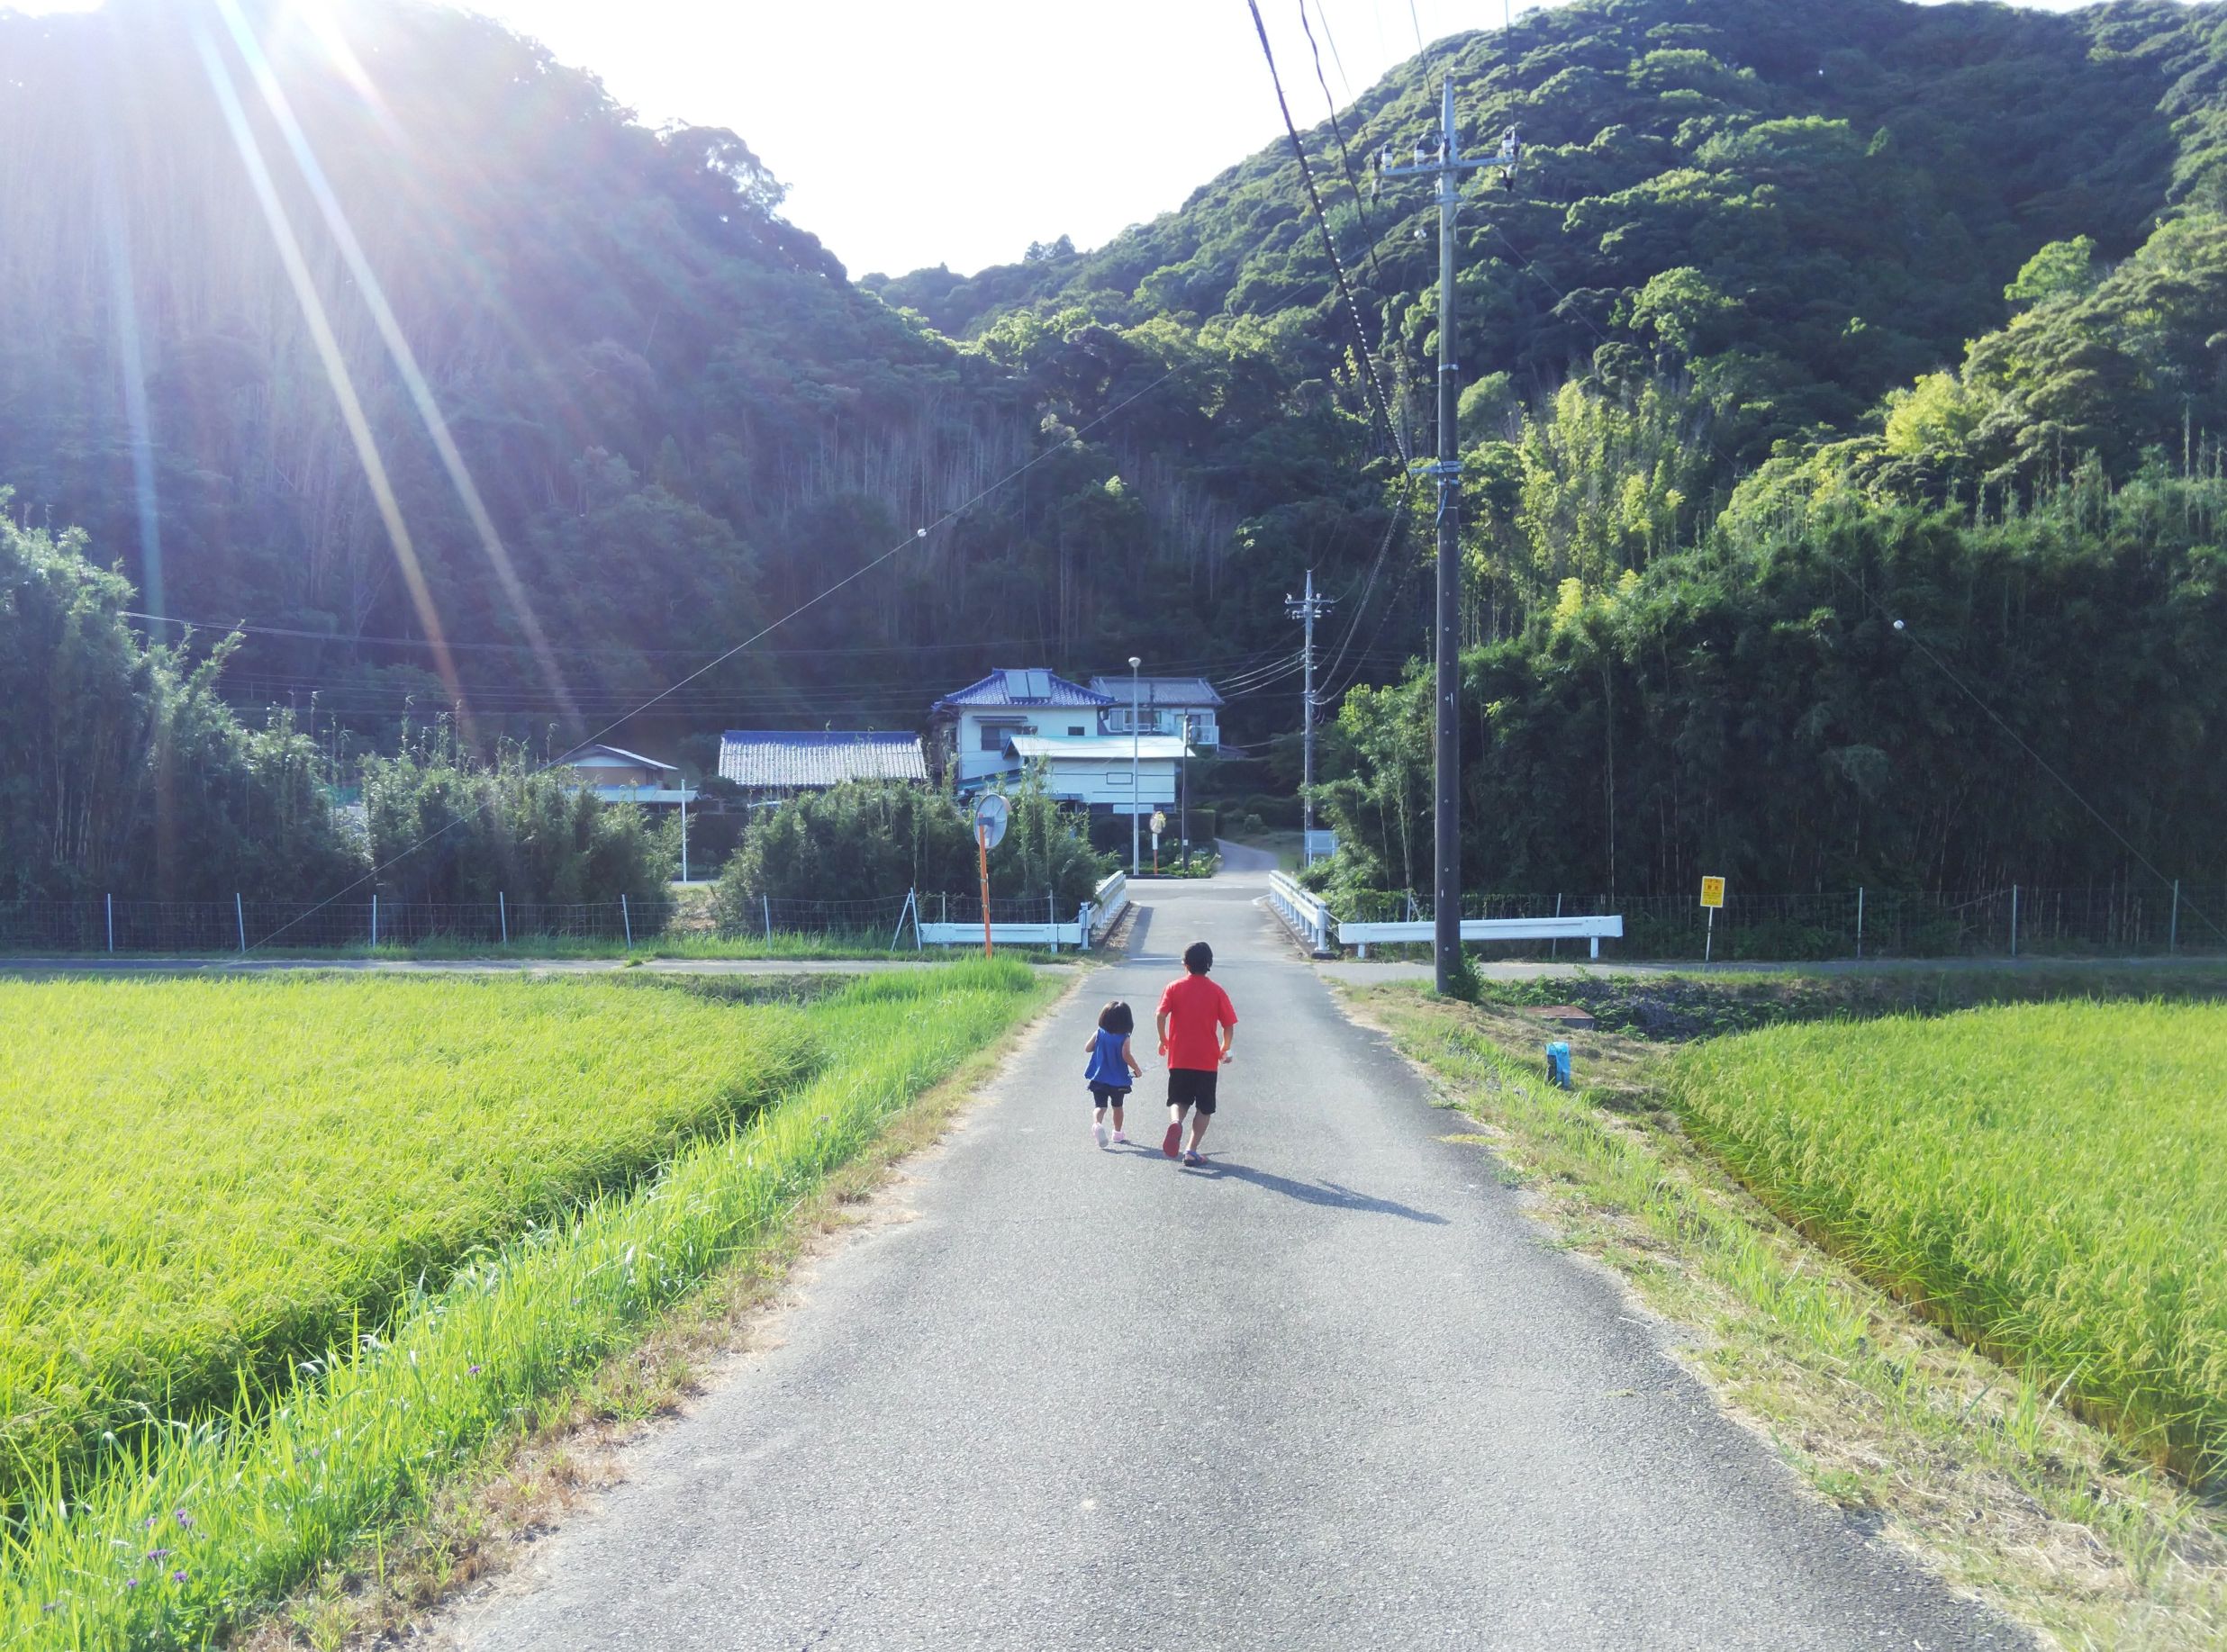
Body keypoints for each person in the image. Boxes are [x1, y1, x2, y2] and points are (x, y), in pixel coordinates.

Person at [1156, 940, 1236, 1167]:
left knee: (1179, 1100)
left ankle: (1176, 1122)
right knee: (1204, 1107)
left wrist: (1164, 1039)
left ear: (1185, 964)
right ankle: (1191, 1150)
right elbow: (1229, 1024)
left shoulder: (1173, 988)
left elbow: (1160, 1016)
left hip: (1179, 1057)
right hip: (1206, 1061)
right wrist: (1224, 1047)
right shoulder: (1217, 991)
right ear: (1209, 964)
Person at [1083, 1000, 1143, 1148]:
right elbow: (1126, 1055)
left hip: (1099, 1078)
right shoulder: (1124, 1037)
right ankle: (1117, 1133)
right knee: (1118, 1107)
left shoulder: (1099, 1033)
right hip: (1118, 1081)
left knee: (1100, 1107)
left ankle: (1097, 1125)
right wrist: (1137, 1069)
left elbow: (1087, 1048)